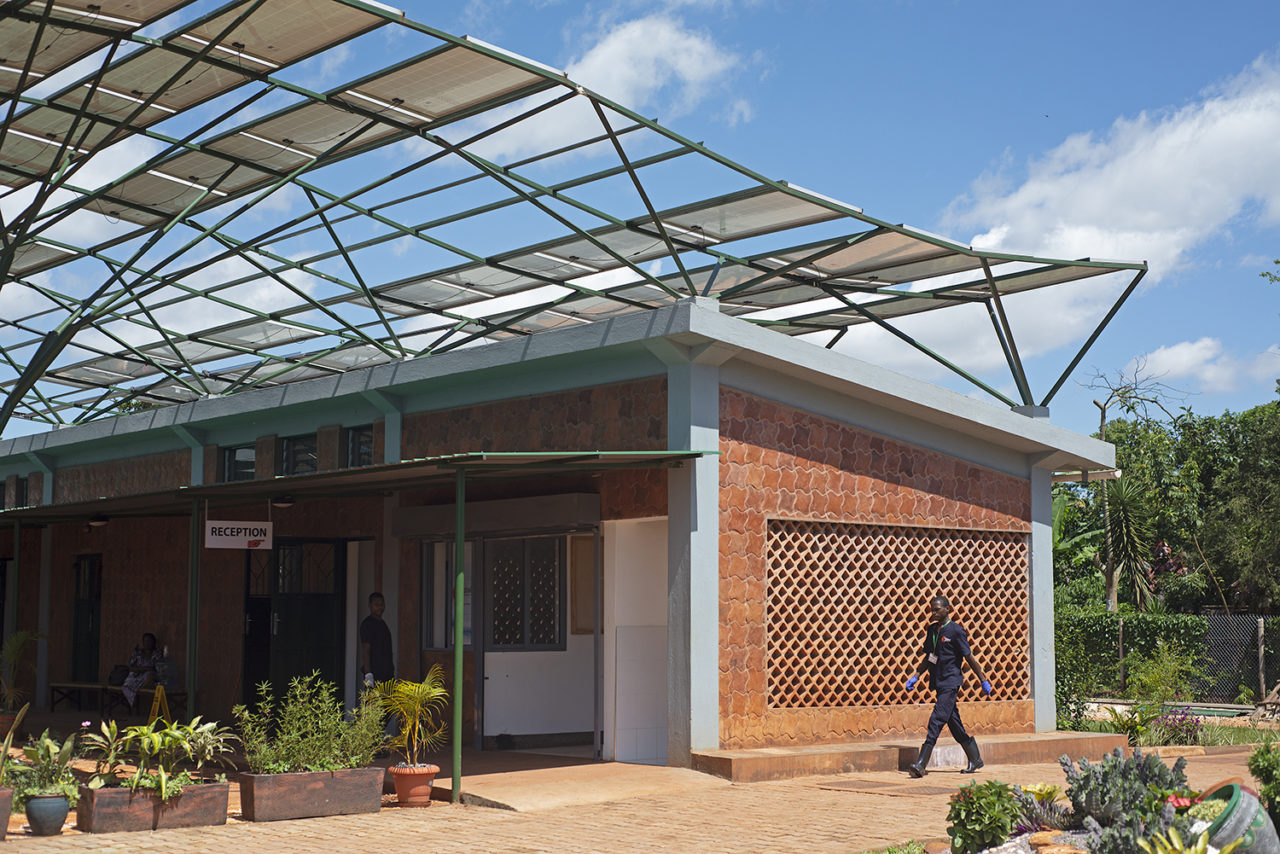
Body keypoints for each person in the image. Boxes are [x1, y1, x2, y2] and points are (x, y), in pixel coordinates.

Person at [903, 595, 992, 777]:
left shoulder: (956, 631)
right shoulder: (932, 630)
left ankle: (921, 764)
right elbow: (929, 657)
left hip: (951, 682)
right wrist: (916, 676)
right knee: (954, 723)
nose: (934, 613)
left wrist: (983, 679)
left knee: (936, 720)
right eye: (932, 610)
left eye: (937, 610)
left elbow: (968, 657)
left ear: (947, 609)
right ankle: (975, 758)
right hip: (938, 681)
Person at [360, 592, 394, 689]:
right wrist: (368, 674)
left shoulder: (382, 623)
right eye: (376, 604)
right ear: (370, 606)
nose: (380, 607)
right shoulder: (367, 624)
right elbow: (366, 650)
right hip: (375, 674)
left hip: (387, 673)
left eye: (381, 604)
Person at [122, 632, 162, 712]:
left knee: (149, 675)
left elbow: (155, 668)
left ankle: (143, 689)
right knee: (128, 682)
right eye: (145, 641)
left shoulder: (157, 653)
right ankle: (132, 704)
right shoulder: (138, 653)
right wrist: (143, 668)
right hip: (137, 675)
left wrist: (144, 669)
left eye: (149, 641)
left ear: (154, 642)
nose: (147, 643)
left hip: (150, 677)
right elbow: (131, 667)